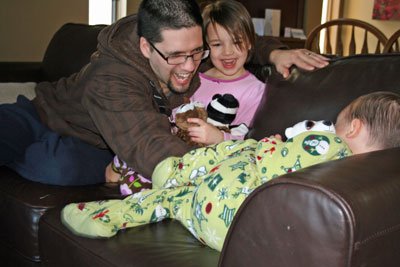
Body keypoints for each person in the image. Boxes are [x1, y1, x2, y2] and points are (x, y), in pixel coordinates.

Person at [0, 0, 329, 186]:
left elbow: (228, 41)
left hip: (102, 142)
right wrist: (232, 171)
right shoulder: (112, 77)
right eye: (175, 56)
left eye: (197, 51)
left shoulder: (185, 45)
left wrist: (272, 52)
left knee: (60, 167)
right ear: (146, 47)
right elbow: (151, 145)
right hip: (44, 115)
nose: (189, 67)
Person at [61, 91, 400, 251]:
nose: (330, 128)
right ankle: (165, 187)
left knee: (243, 149)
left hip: (232, 209)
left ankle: (156, 183)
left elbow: (270, 162)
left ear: (353, 129)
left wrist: (269, 144)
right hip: (244, 233)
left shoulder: (330, 146)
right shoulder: (372, 183)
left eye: (336, 123)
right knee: (177, 200)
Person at [107, 0, 267, 191]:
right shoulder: (193, 77)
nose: (227, 52)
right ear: (205, 45)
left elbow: (251, 143)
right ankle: (127, 165)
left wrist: (219, 137)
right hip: (172, 148)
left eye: (237, 42)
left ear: (249, 43)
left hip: (210, 161)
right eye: (216, 44)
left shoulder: (256, 91)